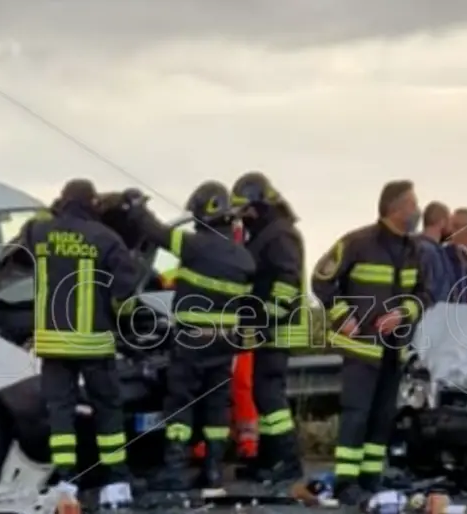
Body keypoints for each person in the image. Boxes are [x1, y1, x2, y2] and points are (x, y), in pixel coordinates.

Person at [125, 181, 256, 491]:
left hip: (192, 340)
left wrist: (137, 207)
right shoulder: (245, 259)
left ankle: (174, 469)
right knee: (216, 405)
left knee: (180, 403)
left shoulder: (194, 245)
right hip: (225, 343)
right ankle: (213, 471)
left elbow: (156, 232)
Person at [18, 179, 139, 510]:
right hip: (93, 344)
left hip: (53, 343)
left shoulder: (39, 231)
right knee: (108, 411)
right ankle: (115, 483)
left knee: (60, 414)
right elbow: (125, 294)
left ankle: (66, 483)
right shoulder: (107, 238)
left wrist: (56, 211)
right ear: (92, 204)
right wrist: (123, 317)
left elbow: (28, 232)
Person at [312, 180, 431, 505]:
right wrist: (342, 317)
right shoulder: (357, 242)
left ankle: (370, 479)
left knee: (381, 418)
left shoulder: (414, 250)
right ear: (395, 208)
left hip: (394, 350)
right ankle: (346, 482)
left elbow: (425, 294)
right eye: (413, 204)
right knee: (356, 415)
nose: (417, 211)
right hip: (361, 350)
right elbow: (321, 279)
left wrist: (403, 314)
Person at [230, 171, 308, 483]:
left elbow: (287, 280)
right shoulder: (269, 231)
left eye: (246, 210)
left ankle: (287, 460)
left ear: (259, 204)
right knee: (263, 394)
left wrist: (268, 318)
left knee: (269, 394)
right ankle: (268, 458)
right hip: (268, 326)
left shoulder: (279, 234)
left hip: (278, 327)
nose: (243, 217)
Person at [418, 201, 457, 302]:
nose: (452, 228)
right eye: (450, 222)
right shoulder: (429, 251)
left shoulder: (418, 247)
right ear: (442, 222)